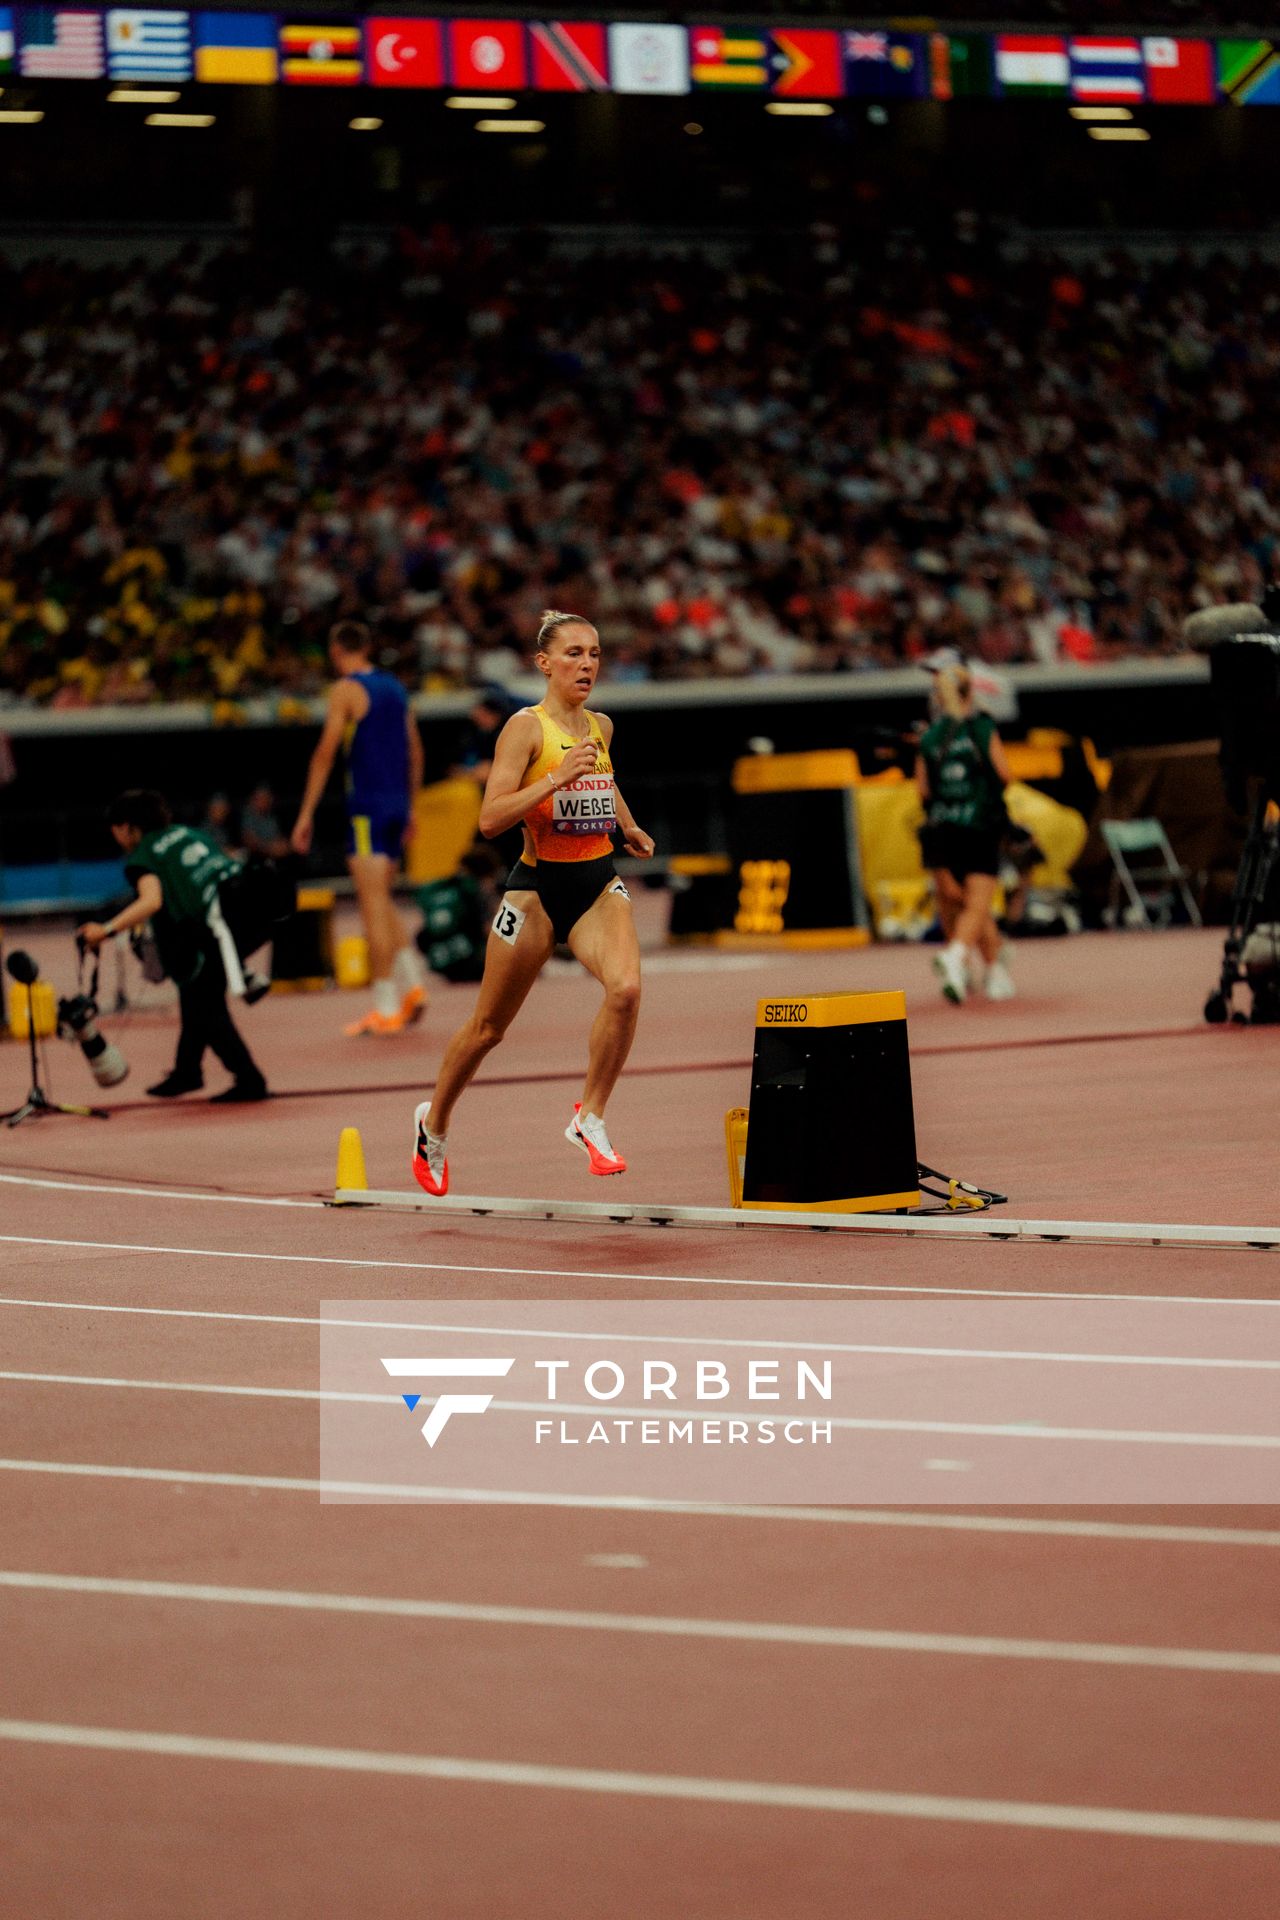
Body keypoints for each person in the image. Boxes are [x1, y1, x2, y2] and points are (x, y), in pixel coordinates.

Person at [412, 609, 655, 1194]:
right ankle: (433, 1125)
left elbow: (605, 777)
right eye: (574, 654)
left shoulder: (601, 725)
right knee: (488, 1028)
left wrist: (627, 824)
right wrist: (553, 781)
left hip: (596, 880)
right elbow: (491, 818)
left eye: (594, 653)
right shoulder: (524, 728)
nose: (587, 664)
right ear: (544, 664)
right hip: (536, 890)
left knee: (625, 990)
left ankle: (589, 1117)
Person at [78, 789, 269, 1102]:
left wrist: (106, 929)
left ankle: (250, 1079)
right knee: (195, 996)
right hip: (247, 910)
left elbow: (152, 900)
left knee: (208, 1008)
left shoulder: (144, 854)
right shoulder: (190, 833)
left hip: (214, 929)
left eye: (116, 831)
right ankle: (187, 1072)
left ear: (127, 827)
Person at [290, 620, 430, 1036]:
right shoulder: (395, 687)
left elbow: (324, 754)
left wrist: (305, 814)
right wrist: (412, 806)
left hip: (367, 809)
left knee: (371, 907)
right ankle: (414, 987)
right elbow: (415, 750)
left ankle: (385, 1006)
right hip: (396, 805)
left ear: (337, 652)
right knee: (382, 899)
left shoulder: (346, 690)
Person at [916, 664, 1015, 1004]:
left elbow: (924, 791)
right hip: (978, 824)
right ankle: (958, 957)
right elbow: (1004, 773)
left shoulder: (929, 737)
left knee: (953, 900)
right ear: (970, 693)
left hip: (942, 828)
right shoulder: (981, 728)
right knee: (977, 902)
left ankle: (988, 969)